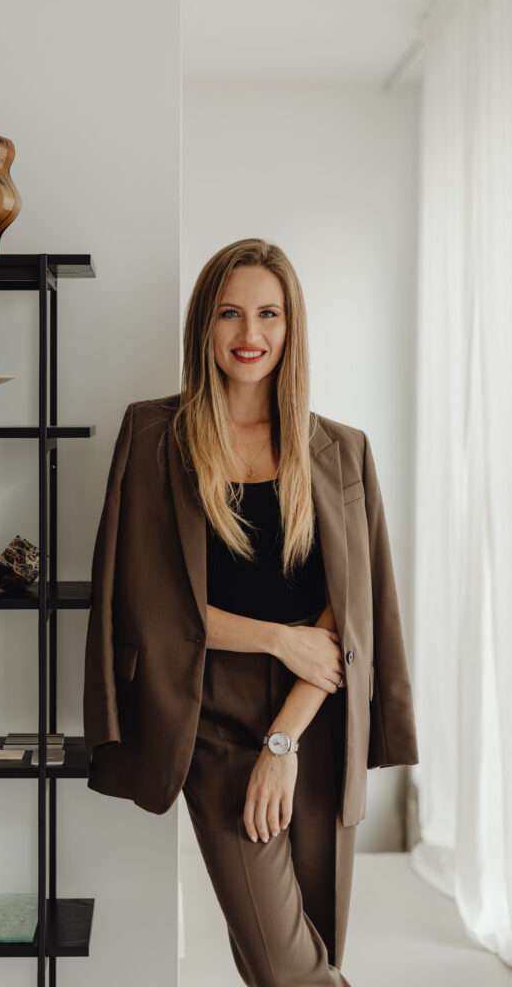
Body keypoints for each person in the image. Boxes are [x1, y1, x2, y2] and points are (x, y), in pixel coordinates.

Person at [83, 237, 419, 987]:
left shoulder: (340, 451)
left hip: (315, 714)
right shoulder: (152, 436)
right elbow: (147, 603)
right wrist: (276, 640)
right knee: (288, 966)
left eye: (268, 314)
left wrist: (283, 743)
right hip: (206, 710)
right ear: (203, 325)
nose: (249, 335)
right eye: (229, 314)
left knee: (310, 947)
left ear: (291, 328)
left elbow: (346, 619)